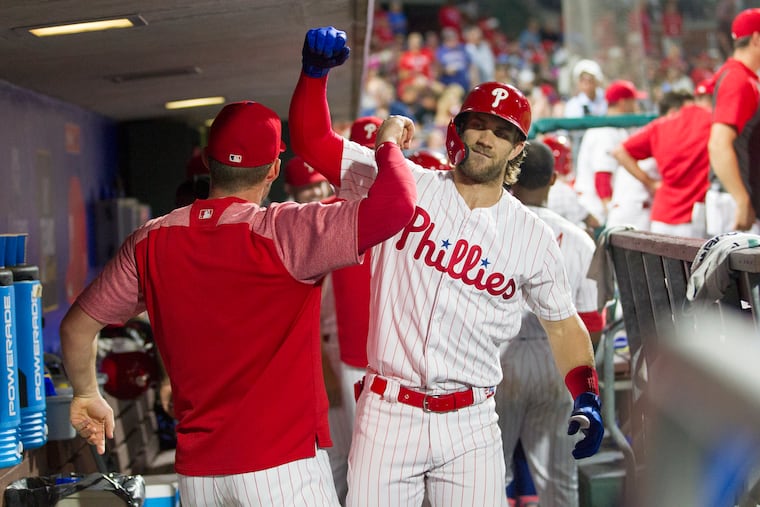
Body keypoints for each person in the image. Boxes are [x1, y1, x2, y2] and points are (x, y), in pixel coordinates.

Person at [291, 26, 603, 507]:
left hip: (472, 420)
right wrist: (314, 76)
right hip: (388, 410)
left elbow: (564, 327)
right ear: (459, 128)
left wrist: (586, 392)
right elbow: (313, 141)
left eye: (503, 132)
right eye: (478, 123)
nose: (486, 138)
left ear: (518, 147)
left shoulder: (534, 237)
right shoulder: (401, 183)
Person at [59, 99, 417, 506]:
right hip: (282, 470)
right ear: (273, 170)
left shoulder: (150, 239)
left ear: (209, 163)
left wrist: (86, 393)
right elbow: (396, 206)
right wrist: (387, 144)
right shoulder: (285, 230)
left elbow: (76, 328)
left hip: (200, 480)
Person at [497, 140, 604, 507]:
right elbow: (592, 323)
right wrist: (583, 380)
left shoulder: (492, 224)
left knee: (490, 478)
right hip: (559, 359)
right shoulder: (579, 238)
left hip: (498, 358)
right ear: (553, 179)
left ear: (511, 175)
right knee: (559, 481)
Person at [612, 84, 713, 238]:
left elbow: (619, 151)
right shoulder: (710, 119)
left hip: (662, 218)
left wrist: (651, 183)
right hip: (694, 218)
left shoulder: (660, 126)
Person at [706, 7, 760, 235]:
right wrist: (741, 198)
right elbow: (718, 144)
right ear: (756, 38)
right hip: (733, 200)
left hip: (736, 196)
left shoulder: (742, 76)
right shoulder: (738, 79)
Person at [573, 79, 648, 226]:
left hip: (598, 209)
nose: (636, 106)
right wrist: (609, 211)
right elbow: (602, 177)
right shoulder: (605, 131)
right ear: (623, 103)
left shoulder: (615, 127)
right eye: (633, 101)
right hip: (596, 212)